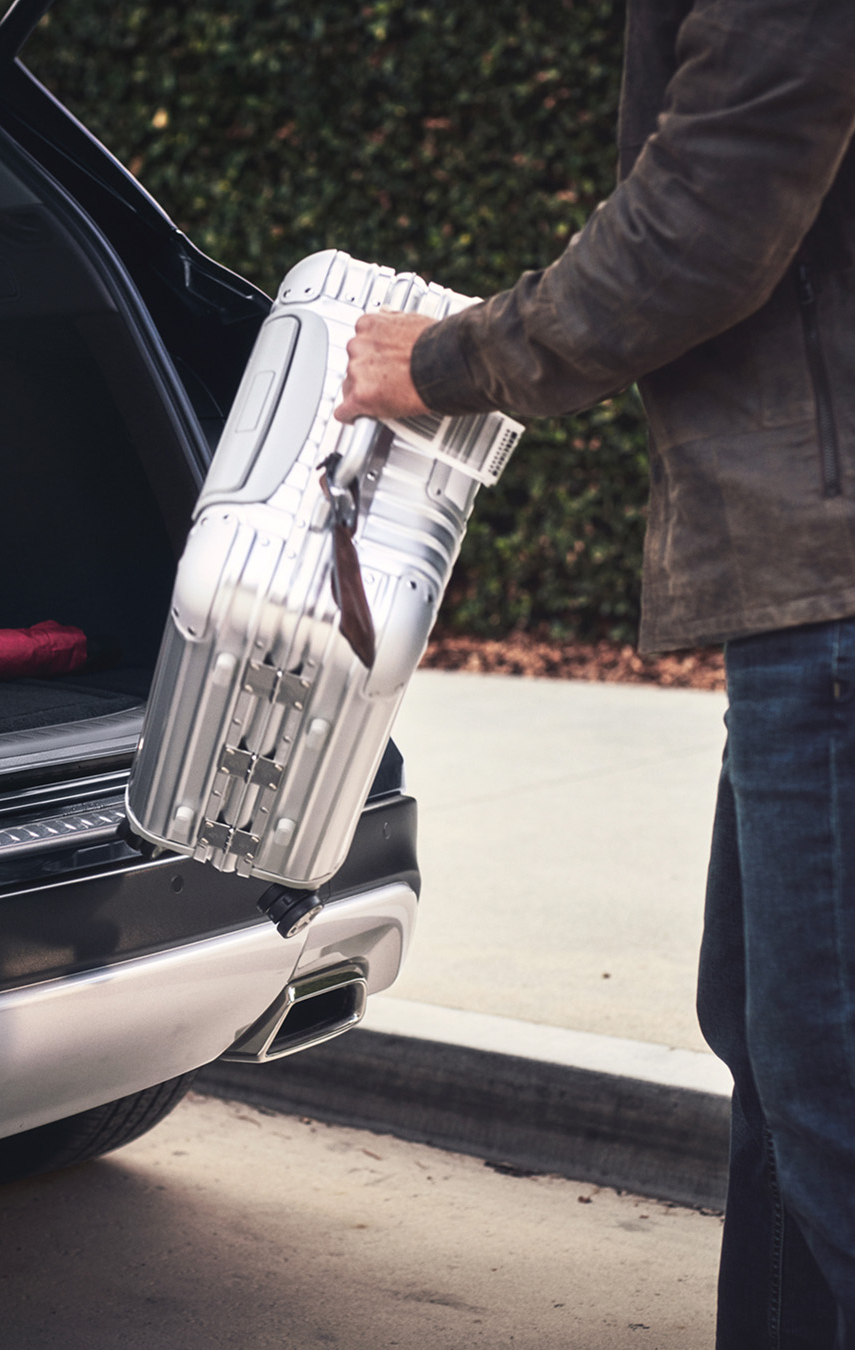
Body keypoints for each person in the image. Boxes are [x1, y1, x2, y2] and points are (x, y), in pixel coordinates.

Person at [334, 3, 855, 1346]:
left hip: (836, 591)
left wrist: (447, 363)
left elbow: (703, 217)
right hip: (807, 591)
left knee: (829, 1089)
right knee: (768, 1046)